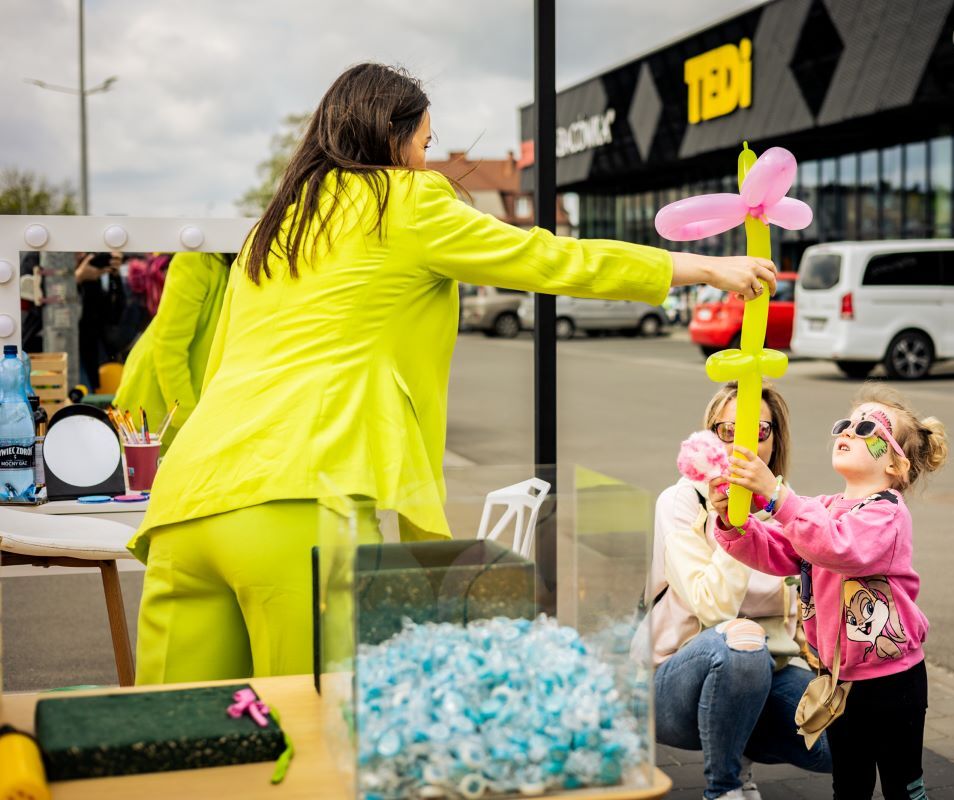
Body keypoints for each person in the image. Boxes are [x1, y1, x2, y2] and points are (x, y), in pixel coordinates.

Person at [130, 62, 778, 685]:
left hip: (186, 506)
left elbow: (220, 366)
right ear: (392, 136)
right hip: (299, 501)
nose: (427, 159)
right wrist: (700, 269)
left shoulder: (275, 227)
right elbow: (547, 257)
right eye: (425, 142)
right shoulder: (402, 200)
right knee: (315, 752)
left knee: (174, 751)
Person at [710, 384, 947, 800]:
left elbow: (840, 547)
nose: (849, 431)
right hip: (837, 677)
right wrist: (733, 521)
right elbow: (782, 548)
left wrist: (778, 495)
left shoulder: (886, 513)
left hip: (894, 681)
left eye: (868, 427)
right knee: (849, 785)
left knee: (901, 784)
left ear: (896, 465)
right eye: (847, 424)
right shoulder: (824, 507)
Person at [648, 382, 831, 800]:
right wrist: (731, 519)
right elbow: (714, 608)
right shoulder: (679, 503)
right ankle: (725, 787)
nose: (741, 445)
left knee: (843, 742)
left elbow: (800, 613)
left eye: (758, 432)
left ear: (774, 440)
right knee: (742, 641)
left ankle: (736, 736)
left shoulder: (784, 510)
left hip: (768, 676)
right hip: (675, 685)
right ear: (708, 438)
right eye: (727, 431)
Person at [113, 252, 232, 450]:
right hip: (158, 408)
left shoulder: (242, 264)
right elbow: (169, 345)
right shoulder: (197, 261)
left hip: (196, 412)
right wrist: (188, 418)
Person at [75, 250, 126, 390]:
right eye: (76, 252)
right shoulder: (43, 262)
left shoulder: (93, 278)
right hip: (57, 349)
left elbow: (113, 315)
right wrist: (78, 277)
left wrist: (114, 277)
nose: (82, 255)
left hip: (89, 351)